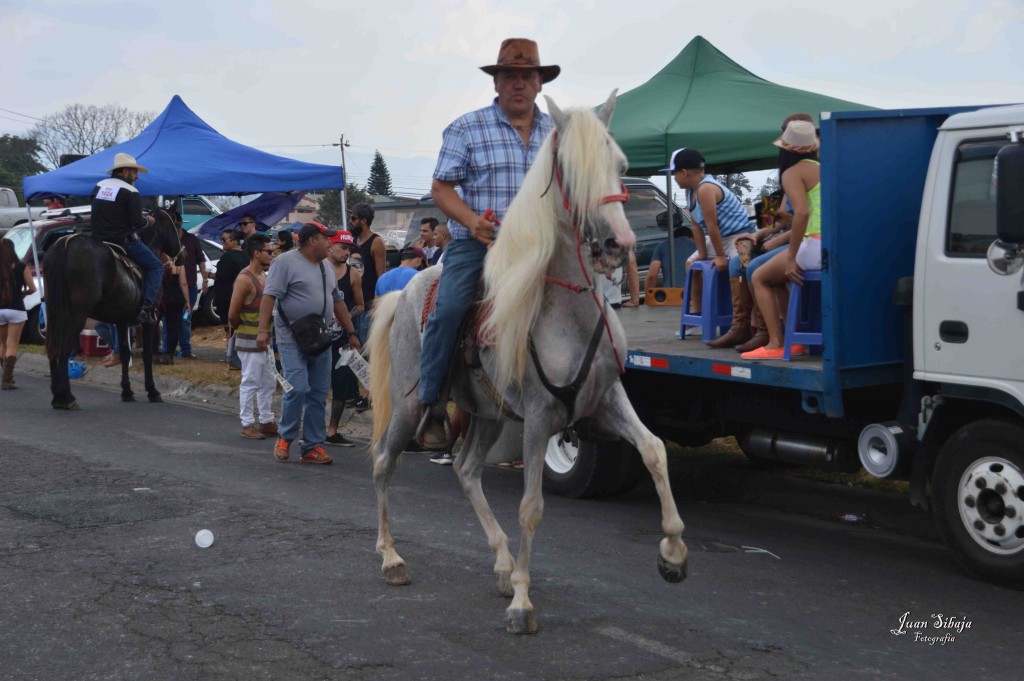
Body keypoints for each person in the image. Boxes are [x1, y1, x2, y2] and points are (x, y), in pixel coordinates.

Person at [417, 37, 559, 448]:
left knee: (587, 299)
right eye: (509, 76)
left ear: (539, 84)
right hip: (479, 244)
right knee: (450, 310)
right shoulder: (467, 127)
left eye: (527, 76)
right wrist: (471, 221)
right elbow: (441, 188)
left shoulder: (555, 133)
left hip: (540, 247)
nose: (519, 84)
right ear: (496, 83)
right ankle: (432, 404)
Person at [256, 221, 361, 465]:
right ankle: (285, 436)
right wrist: (263, 331)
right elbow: (269, 297)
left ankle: (312, 447)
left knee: (319, 392)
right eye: (327, 238)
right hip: (292, 338)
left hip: (321, 338)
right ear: (312, 239)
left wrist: (352, 332)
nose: (331, 243)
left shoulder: (326, 266)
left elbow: (338, 302)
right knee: (298, 388)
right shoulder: (285, 262)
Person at [743, 120, 822, 360]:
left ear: (785, 149)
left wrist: (790, 256)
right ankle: (793, 340)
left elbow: (803, 213)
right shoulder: (824, 167)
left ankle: (776, 342)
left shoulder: (792, 173)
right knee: (772, 279)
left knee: (758, 277)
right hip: (831, 243)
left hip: (815, 244)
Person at [663, 147, 755, 347]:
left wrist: (721, 257)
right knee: (691, 263)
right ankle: (697, 315)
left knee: (740, 267)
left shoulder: (706, 188)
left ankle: (744, 323)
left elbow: (712, 225)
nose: (674, 179)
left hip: (741, 236)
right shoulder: (690, 191)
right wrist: (702, 254)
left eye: (674, 174)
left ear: (684, 172)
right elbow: (696, 225)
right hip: (720, 238)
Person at [89, 153, 163, 324]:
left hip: (98, 241)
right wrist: (148, 220)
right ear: (123, 171)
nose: (136, 176)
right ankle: (147, 307)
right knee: (156, 266)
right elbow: (136, 221)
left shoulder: (98, 186)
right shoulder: (131, 191)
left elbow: (107, 211)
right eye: (134, 172)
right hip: (122, 241)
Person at [228, 233, 279, 439]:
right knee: (250, 381)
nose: (272, 254)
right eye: (268, 251)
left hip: (264, 340)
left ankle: (266, 420)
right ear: (257, 253)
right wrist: (244, 330)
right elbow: (233, 313)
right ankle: (247, 423)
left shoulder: (263, 276)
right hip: (249, 340)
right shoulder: (245, 278)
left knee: (268, 381)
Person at [325, 230, 364, 447]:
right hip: (316, 338)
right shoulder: (318, 269)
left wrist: (346, 318)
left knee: (340, 385)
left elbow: (360, 304)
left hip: (341, 340)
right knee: (316, 385)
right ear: (330, 246)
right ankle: (312, 428)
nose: (346, 253)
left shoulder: (353, 275)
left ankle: (332, 430)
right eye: (343, 247)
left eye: (349, 248)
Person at [164, 210, 208, 359]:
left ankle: (185, 349)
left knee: (185, 318)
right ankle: (167, 349)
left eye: (175, 222)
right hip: (170, 286)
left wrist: (205, 279)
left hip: (190, 285)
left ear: (180, 223)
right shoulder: (166, 240)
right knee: (167, 319)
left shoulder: (191, 239)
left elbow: (201, 260)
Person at [0, 239, 36, 389]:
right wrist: (24, 294)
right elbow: (33, 289)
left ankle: (6, 376)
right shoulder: (22, 266)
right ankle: (7, 379)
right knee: (12, 345)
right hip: (16, 309)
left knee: (2, 344)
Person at [349, 202, 386, 341]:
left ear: (363, 220)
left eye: (353, 218)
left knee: (366, 350)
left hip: (368, 305)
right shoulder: (352, 241)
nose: (350, 222)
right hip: (352, 306)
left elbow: (381, 275)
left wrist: (378, 304)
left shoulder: (376, 242)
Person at [214, 229, 248, 370]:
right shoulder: (246, 256)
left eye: (224, 240)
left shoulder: (228, 257)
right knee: (239, 328)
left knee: (229, 329)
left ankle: (232, 357)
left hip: (227, 297)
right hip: (243, 297)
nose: (222, 242)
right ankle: (238, 356)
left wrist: (209, 275)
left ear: (233, 241)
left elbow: (221, 275)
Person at [156, 226, 191, 366]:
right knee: (174, 326)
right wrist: (187, 301)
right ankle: (169, 354)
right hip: (176, 296)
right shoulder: (179, 261)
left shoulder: (159, 258)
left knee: (154, 323)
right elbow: (183, 283)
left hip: (162, 295)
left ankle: (156, 352)